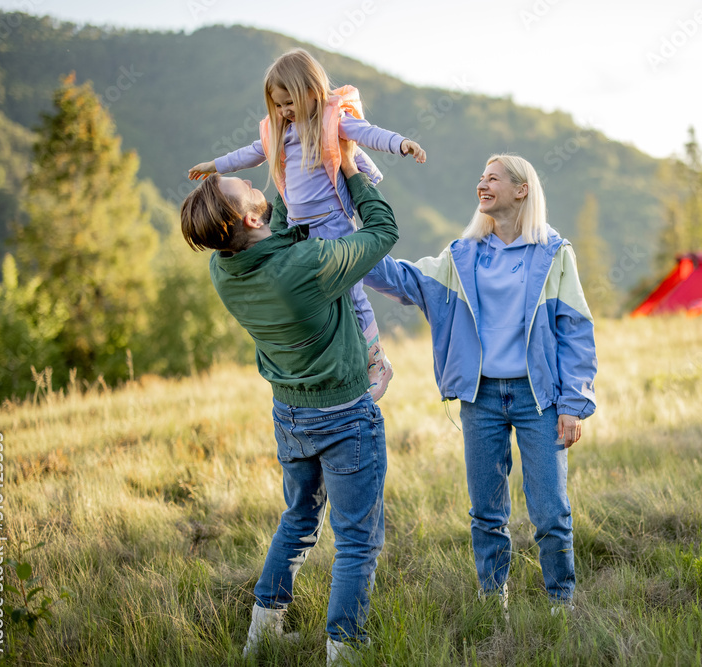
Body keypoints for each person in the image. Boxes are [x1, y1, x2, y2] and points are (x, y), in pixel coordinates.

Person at [180, 137, 397, 664]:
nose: (256, 184)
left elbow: (274, 229)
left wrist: (290, 158)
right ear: (251, 221)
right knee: (357, 540)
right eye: (248, 188)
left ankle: (264, 631)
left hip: (290, 414)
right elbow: (382, 232)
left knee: (299, 517)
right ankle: (345, 648)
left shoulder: (225, 269)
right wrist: (347, 168)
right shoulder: (307, 266)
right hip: (344, 413)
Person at [364, 154, 597, 612]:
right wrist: (349, 243)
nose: (482, 185)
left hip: (540, 399)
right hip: (481, 397)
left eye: (493, 178)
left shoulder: (554, 254)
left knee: (550, 510)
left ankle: (561, 603)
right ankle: (493, 604)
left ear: (522, 189)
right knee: (487, 513)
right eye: (480, 177)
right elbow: (402, 279)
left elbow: (576, 331)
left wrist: (574, 402)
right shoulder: (460, 255)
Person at [188, 47, 426, 401]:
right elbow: (250, 153)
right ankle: (412, 294)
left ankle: (377, 358)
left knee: (353, 290)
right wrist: (216, 165)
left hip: (331, 222)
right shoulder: (280, 132)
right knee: (344, 284)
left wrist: (401, 143)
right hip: (300, 226)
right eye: (278, 105)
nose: (284, 111)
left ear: (313, 92)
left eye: (290, 103)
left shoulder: (333, 121)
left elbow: (369, 133)